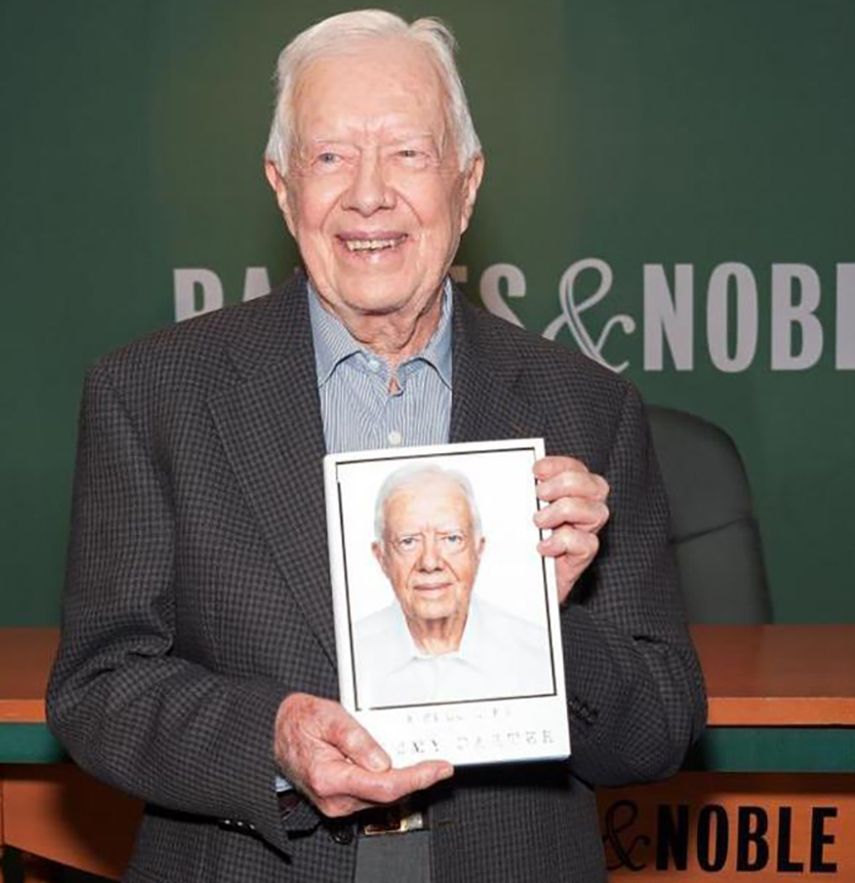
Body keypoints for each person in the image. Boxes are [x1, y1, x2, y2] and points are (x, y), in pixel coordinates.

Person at [47, 9, 706, 883]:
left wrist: (538, 616)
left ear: (465, 184)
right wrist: (271, 739)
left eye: (407, 152)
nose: (368, 194)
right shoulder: (152, 395)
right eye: (329, 156)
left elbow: (658, 730)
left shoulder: (586, 407)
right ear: (282, 187)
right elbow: (98, 687)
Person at [355, 463, 553, 708]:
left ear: (478, 550)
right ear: (381, 557)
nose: (430, 562)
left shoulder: (537, 653)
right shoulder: (349, 656)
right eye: (408, 541)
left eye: (451, 538)